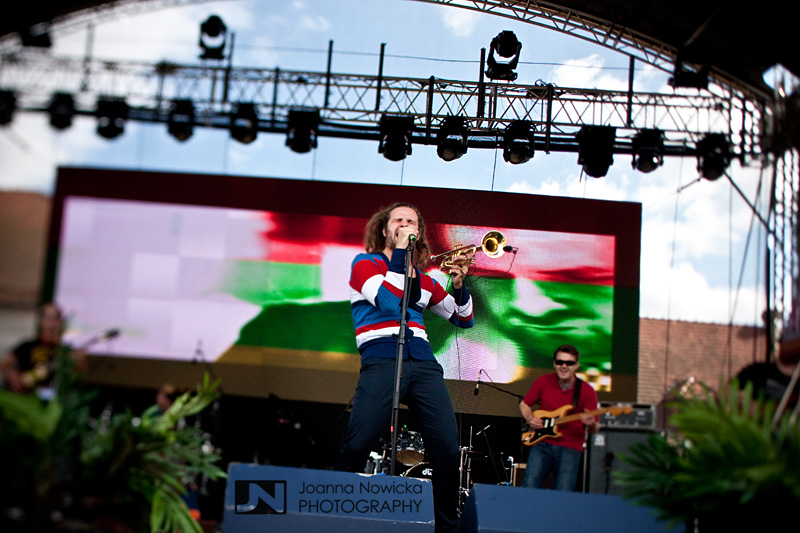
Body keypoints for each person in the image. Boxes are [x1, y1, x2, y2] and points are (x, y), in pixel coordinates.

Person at [333, 202, 474, 533]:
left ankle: (446, 528)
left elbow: (463, 319)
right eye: (399, 220)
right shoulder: (365, 264)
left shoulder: (425, 280)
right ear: (385, 229)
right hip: (383, 359)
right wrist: (400, 255)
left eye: (411, 221)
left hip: (423, 363)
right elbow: (387, 301)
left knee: (447, 450)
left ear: (419, 233)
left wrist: (458, 287)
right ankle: (333, 518)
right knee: (357, 444)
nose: (405, 225)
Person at [518, 344, 599, 491]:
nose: (564, 366)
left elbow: (595, 428)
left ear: (577, 365)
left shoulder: (587, 391)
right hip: (542, 444)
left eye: (569, 363)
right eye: (560, 362)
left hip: (571, 447)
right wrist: (530, 419)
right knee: (529, 485)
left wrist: (591, 424)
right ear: (554, 363)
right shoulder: (543, 381)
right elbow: (525, 404)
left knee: (563, 492)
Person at [1, 302, 84, 398]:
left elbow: (75, 376)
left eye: (54, 317)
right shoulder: (27, 345)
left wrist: (79, 363)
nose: (50, 321)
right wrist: (13, 377)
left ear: (60, 321)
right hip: (27, 396)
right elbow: (5, 365)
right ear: (41, 320)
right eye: (47, 316)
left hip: (54, 399)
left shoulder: (66, 351)